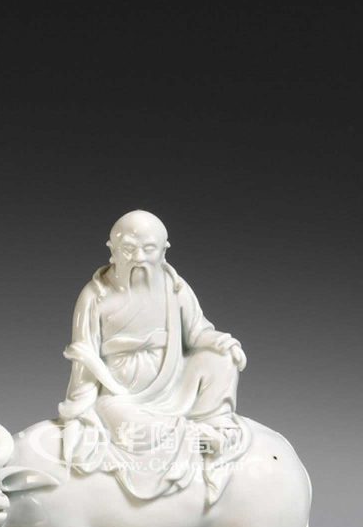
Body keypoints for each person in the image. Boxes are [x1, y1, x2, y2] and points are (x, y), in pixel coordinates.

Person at [58, 210, 250, 502]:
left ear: (163, 251)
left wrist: (223, 343)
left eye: (148, 249)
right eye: (128, 249)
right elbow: (84, 355)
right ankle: (195, 436)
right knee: (130, 432)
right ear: (112, 251)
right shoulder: (95, 296)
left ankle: (212, 424)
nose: (138, 258)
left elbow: (197, 332)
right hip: (120, 394)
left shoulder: (175, 288)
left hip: (174, 384)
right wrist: (79, 408)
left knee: (220, 359)